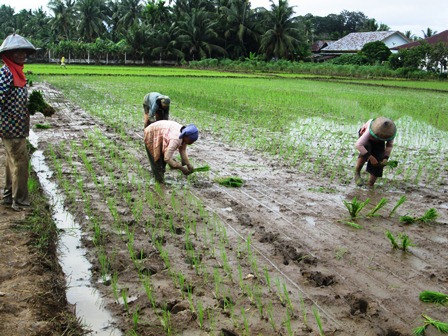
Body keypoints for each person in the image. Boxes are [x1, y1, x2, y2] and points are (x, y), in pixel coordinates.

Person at [0, 33, 36, 211]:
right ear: (8, 55)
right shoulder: (6, 73)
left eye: (23, 52)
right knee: (20, 162)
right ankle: (20, 201)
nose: (22, 55)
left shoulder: (17, 73)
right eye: (17, 52)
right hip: (10, 127)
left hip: (17, 126)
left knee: (11, 162)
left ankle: (8, 197)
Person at [354, 117, 397, 187]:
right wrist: (371, 158)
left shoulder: (390, 131)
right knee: (366, 148)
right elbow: (358, 145)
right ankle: (357, 172)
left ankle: (370, 184)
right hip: (366, 139)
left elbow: (389, 145)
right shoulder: (370, 128)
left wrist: (386, 158)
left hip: (380, 141)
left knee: (380, 158)